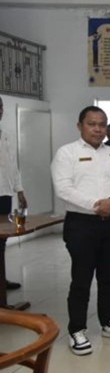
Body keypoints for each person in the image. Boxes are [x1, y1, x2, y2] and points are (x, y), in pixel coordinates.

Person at [51, 105, 110, 355]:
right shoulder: (67, 153)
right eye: (92, 124)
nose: (98, 129)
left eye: (102, 124)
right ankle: (77, 329)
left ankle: (108, 321)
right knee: (82, 278)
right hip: (81, 224)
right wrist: (96, 205)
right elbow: (63, 188)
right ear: (80, 126)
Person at [0, 96, 28, 292]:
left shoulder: (5, 135)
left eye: (0, 107)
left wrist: (19, 190)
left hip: (4, 194)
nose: (0, 110)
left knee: (2, 238)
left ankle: (1, 279)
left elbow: (12, 166)